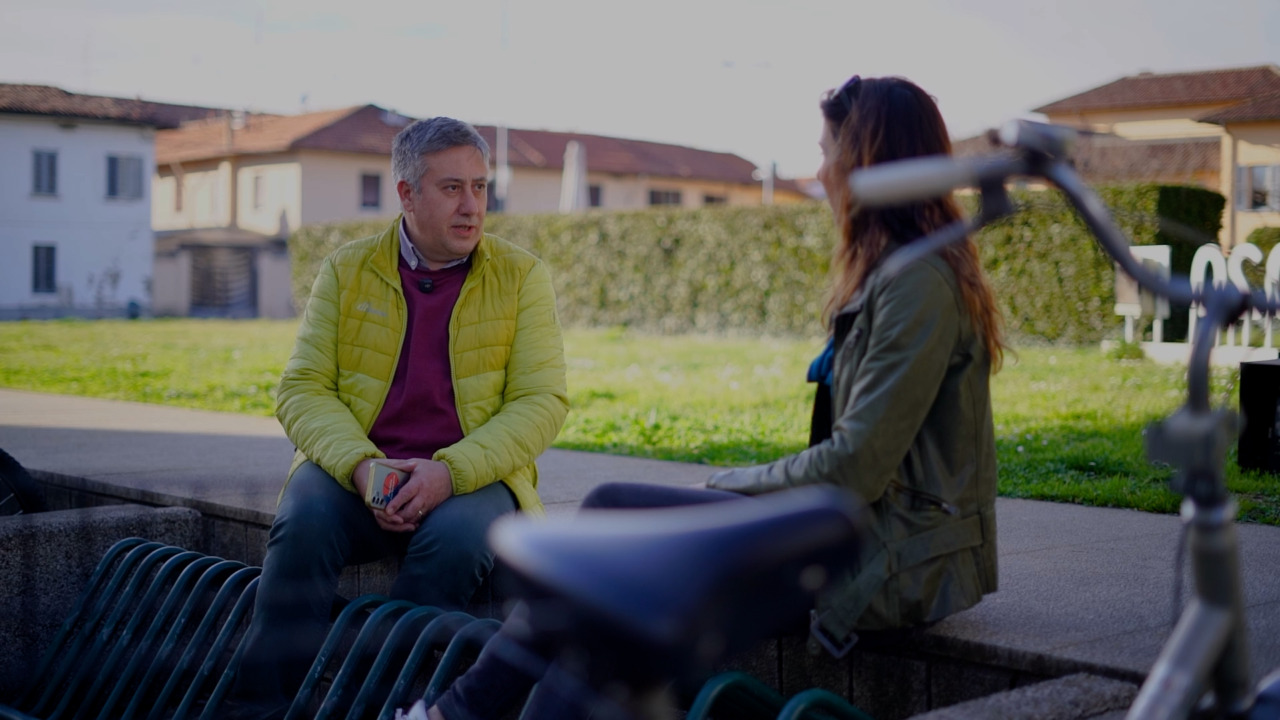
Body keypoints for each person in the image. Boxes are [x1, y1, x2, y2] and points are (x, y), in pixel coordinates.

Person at [423, 74, 1004, 720]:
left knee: (613, 535)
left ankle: (452, 714)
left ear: (868, 163)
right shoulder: (899, 272)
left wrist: (728, 488)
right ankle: (454, 714)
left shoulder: (916, 284)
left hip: (894, 560)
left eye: (827, 152)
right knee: (608, 550)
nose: (820, 172)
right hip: (864, 534)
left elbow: (855, 468)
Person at [226, 116, 570, 719]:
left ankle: (374, 707)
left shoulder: (521, 276)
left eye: (480, 187)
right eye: (452, 188)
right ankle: (256, 710)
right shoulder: (347, 268)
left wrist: (449, 473)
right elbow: (302, 388)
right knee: (302, 525)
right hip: (357, 472)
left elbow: (541, 402)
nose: (472, 206)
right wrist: (361, 466)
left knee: (454, 544)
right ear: (407, 193)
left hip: (471, 479)